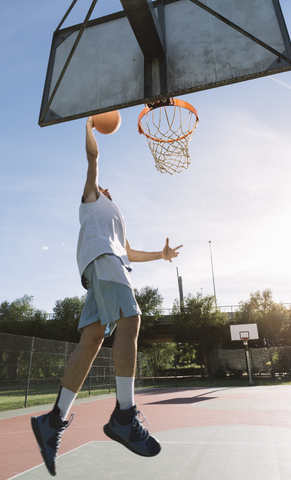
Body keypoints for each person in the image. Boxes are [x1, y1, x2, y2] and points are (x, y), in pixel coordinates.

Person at [31, 116, 182, 476]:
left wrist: (160, 256)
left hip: (106, 265)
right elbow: (93, 162)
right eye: (103, 189)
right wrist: (88, 129)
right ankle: (124, 416)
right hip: (104, 262)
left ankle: (54, 420)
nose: (107, 190)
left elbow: (129, 252)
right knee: (132, 320)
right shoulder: (90, 200)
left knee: (93, 338)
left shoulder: (115, 216)